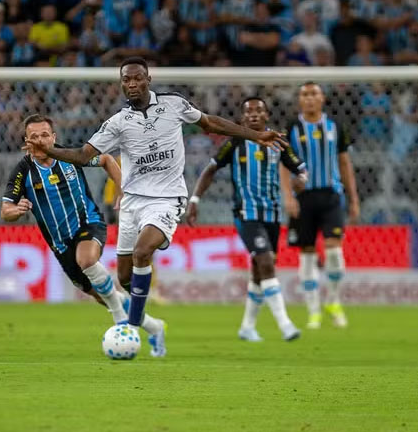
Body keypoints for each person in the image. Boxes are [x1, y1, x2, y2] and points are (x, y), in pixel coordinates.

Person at [24, 58, 287, 347]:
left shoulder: (173, 104)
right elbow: (83, 156)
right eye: (126, 80)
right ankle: (155, 327)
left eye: (137, 78)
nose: (132, 84)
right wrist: (49, 150)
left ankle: (132, 327)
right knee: (125, 277)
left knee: (142, 252)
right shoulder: (117, 122)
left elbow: (211, 123)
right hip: (132, 202)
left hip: (167, 198)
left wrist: (256, 136)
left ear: (148, 79)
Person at [2, 114, 168, 355]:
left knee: (87, 260)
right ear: (26, 141)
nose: (40, 140)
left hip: (88, 223)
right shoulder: (22, 171)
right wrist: (16, 210)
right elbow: (5, 209)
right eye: (34, 136)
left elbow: (107, 159)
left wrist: (123, 191)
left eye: (45, 135)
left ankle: (121, 320)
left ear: (53, 137)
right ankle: (154, 327)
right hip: (60, 244)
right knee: (103, 296)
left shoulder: (71, 157)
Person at [187, 97, 306, 342]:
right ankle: (285, 324)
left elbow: (300, 169)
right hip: (246, 213)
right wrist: (195, 199)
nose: (253, 115)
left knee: (259, 269)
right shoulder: (235, 142)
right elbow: (210, 169)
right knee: (265, 261)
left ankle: (247, 327)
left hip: (272, 214)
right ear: (242, 118)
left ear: (267, 115)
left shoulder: (279, 142)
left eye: (258, 110)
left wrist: (301, 180)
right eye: (248, 111)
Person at [282, 82, 359, 330]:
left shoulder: (335, 126)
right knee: (307, 253)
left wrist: (354, 198)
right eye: (304, 94)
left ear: (322, 98)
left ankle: (333, 300)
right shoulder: (292, 128)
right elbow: (283, 164)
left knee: (334, 250)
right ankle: (313, 310)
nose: (309, 98)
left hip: (331, 196)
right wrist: (288, 196)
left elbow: (345, 163)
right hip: (303, 198)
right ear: (299, 100)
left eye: (314, 93)